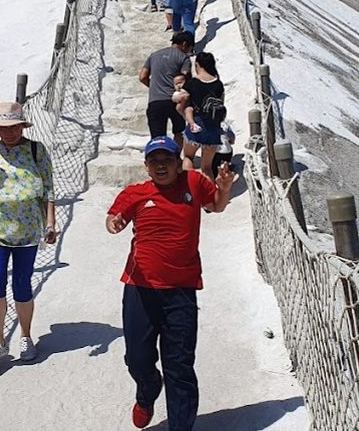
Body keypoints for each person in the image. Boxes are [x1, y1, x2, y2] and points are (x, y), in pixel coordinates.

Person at [106, 136, 236, 430]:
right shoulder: (135, 193)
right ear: (147, 166)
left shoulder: (194, 183)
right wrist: (114, 223)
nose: (161, 166)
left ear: (179, 163)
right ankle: (148, 389)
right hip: (140, 289)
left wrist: (224, 189)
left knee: (179, 367)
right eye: (155, 161)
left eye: (167, 160)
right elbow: (116, 216)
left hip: (181, 290)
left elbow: (215, 205)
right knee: (137, 360)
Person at [0, 101, 58, 367]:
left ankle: (26, 336)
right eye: (3, 128)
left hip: (27, 230)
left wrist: (50, 224)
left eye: (13, 127)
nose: (9, 132)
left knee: (22, 284)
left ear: (21, 126)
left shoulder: (36, 150)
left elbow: (48, 189)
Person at [140, 30, 194, 148]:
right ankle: (175, 158)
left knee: (157, 138)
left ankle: (158, 159)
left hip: (155, 102)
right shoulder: (183, 58)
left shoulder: (154, 55)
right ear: (184, 44)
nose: (189, 51)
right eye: (190, 48)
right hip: (175, 101)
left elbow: (142, 77)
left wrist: (154, 87)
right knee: (179, 132)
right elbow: (186, 77)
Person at [179, 52, 226, 175]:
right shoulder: (218, 84)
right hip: (213, 128)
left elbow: (178, 98)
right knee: (207, 168)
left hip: (196, 124)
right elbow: (221, 104)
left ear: (197, 65)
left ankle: (189, 188)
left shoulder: (192, 82)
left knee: (188, 157)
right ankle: (209, 193)